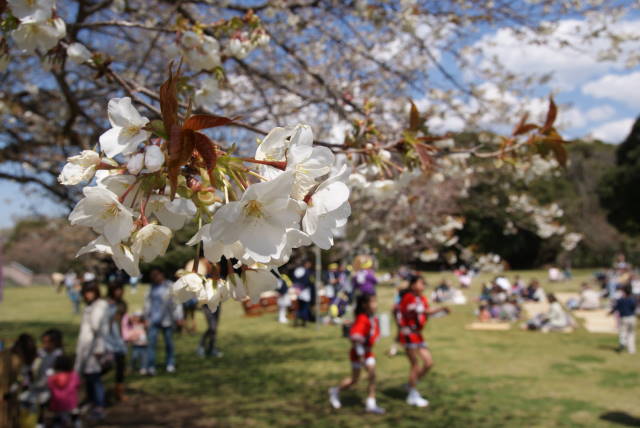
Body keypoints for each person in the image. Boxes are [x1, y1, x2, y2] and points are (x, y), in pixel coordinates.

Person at [398, 275, 449, 407]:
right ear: (413, 285)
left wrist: (441, 311)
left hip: (418, 335)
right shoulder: (408, 298)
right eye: (421, 283)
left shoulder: (422, 298)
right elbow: (422, 311)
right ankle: (412, 395)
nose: (423, 286)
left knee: (428, 363)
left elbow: (427, 312)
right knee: (415, 365)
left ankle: (410, 385)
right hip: (409, 334)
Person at [328, 294, 385, 414]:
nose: (376, 305)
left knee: (371, 376)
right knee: (355, 379)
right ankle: (335, 391)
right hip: (359, 354)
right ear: (365, 305)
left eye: (376, 301)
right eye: (373, 302)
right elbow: (354, 338)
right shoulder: (362, 319)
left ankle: (371, 403)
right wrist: (361, 356)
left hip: (367, 353)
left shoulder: (370, 317)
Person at [74, 281, 109, 421]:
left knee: (95, 378)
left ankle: (99, 406)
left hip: (94, 348)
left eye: (91, 292)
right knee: (89, 378)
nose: (88, 295)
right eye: (86, 292)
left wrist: (100, 347)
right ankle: (92, 402)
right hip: (86, 346)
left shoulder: (100, 306)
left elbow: (100, 329)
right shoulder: (90, 306)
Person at [144, 268, 183, 375]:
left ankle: (170, 364)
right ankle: (151, 366)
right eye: (152, 276)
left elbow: (177, 303)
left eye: (156, 275)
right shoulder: (151, 288)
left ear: (161, 274)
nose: (154, 278)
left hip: (167, 320)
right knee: (151, 344)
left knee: (169, 343)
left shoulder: (170, 286)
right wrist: (146, 318)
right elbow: (147, 304)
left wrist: (179, 317)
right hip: (153, 320)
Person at [32, 329, 64, 426]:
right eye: (43, 342)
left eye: (48, 342)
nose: (45, 345)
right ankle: (40, 421)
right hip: (40, 384)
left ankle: (57, 420)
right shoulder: (40, 352)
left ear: (55, 343)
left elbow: (59, 372)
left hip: (52, 386)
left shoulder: (58, 354)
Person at [106, 283, 128, 401]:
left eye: (120, 289)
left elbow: (124, 320)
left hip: (120, 338)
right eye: (116, 289)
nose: (119, 292)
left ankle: (119, 391)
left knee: (121, 366)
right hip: (108, 339)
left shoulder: (122, 304)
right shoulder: (106, 303)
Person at [47, 354, 80, 428]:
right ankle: (76, 423)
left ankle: (58, 423)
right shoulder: (74, 375)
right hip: (71, 404)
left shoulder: (52, 377)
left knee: (58, 419)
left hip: (57, 405)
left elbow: (49, 387)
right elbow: (77, 386)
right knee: (75, 412)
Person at [610, 285, 637, 354]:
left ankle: (622, 343)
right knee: (631, 333)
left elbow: (615, 308)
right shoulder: (633, 299)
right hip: (632, 318)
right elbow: (634, 308)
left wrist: (610, 312)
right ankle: (632, 350)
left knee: (623, 331)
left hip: (623, 318)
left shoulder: (620, 300)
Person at [293, 261, 315, 326]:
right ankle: (303, 321)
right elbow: (307, 282)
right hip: (305, 292)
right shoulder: (307, 271)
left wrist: (297, 288)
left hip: (298, 291)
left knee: (300, 306)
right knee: (305, 307)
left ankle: (298, 319)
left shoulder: (297, 270)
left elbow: (295, 281)